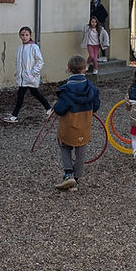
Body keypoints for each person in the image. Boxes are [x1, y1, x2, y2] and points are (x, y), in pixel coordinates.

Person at [53, 55, 101, 190]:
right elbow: (96, 106)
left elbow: (60, 109)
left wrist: (55, 105)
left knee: (65, 147)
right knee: (81, 148)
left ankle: (68, 174)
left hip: (69, 125)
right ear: (85, 69)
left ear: (69, 69)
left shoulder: (66, 90)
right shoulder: (91, 88)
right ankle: (77, 177)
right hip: (84, 124)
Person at [2, 26, 52, 123]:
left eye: (26, 35)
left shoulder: (34, 47)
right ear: (20, 36)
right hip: (22, 78)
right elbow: (18, 62)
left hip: (29, 77)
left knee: (21, 95)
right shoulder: (20, 48)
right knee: (34, 93)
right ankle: (49, 108)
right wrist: (17, 73)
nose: (24, 37)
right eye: (22, 35)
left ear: (30, 35)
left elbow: (40, 61)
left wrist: (33, 73)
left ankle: (14, 116)